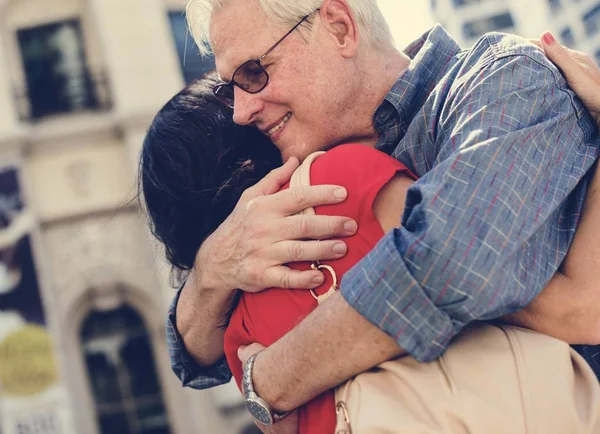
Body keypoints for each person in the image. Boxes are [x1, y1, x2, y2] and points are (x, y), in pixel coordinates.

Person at [171, 0, 600, 428]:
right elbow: (194, 359)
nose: (241, 112)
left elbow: (451, 263)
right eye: (232, 90)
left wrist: (270, 381)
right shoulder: (305, 178)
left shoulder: (501, 79)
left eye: (253, 73)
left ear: (340, 28)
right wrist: (214, 269)